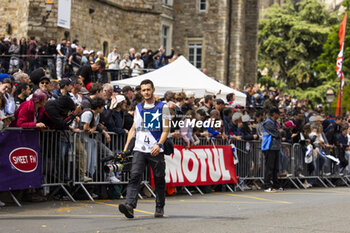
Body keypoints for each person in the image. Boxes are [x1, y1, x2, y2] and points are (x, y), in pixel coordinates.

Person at [119, 79, 170, 218]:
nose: (146, 92)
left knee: (159, 179)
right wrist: (125, 149)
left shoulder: (163, 107)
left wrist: (159, 145)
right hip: (139, 148)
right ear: (141, 92)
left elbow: (166, 129)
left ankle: (159, 207)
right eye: (143, 90)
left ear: (153, 90)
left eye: (148, 89)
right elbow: (133, 129)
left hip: (156, 149)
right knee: (135, 176)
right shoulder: (138, 108)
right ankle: (129, 205)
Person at [262, 108, 282, 192]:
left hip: (275, 146)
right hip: (269, 146)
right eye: (278, 113)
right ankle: (267, 185)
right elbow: (276, 134)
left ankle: (275, 185)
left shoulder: (275, 123)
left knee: (275, 167)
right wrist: (280, 132)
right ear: (274, 114)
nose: (279, 115)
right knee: (269, 167)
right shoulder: (268, 122)